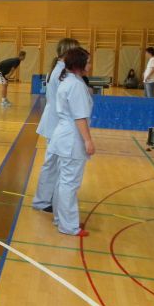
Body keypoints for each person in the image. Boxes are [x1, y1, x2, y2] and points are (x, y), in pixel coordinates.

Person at [47, 47, 94, 237]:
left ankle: (62, 219)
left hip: (63, 137)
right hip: (71, 140)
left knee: (63, 182)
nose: (90, 65)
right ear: (79, 64)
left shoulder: (70, 81)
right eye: (88, 62)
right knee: (69, 183)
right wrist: (88, 140)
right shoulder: (75, 85)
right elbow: (79, 117)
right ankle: (68, 225)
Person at [32, 38, 81, 212]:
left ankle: (47, 199)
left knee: (52, 164)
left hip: (55, 122)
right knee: (52, 165)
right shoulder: (62, 73)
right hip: (56, 123)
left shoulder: (60, 70)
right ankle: (44, 201)